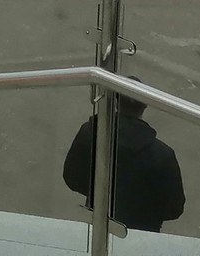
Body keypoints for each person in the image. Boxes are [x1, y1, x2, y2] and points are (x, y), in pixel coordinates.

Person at [62, 87, 187, 232]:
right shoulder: (162, 154)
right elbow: (174, 208)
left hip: (98, 224)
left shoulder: (90, 134)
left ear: (116, 102)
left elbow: (72, 178)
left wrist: (101, 193)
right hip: (142, 232)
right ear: (144, 106)